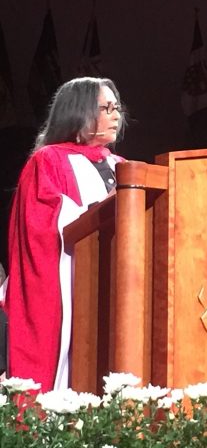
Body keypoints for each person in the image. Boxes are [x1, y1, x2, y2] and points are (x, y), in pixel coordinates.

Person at [4, 77, 126, 392]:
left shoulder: (125, 168)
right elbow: (42, 223)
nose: (116, 116)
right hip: (73, 286)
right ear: (79, 113)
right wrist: (101, 216)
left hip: (123, 287)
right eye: (106, 108)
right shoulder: (48, 161)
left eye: (117, 108)